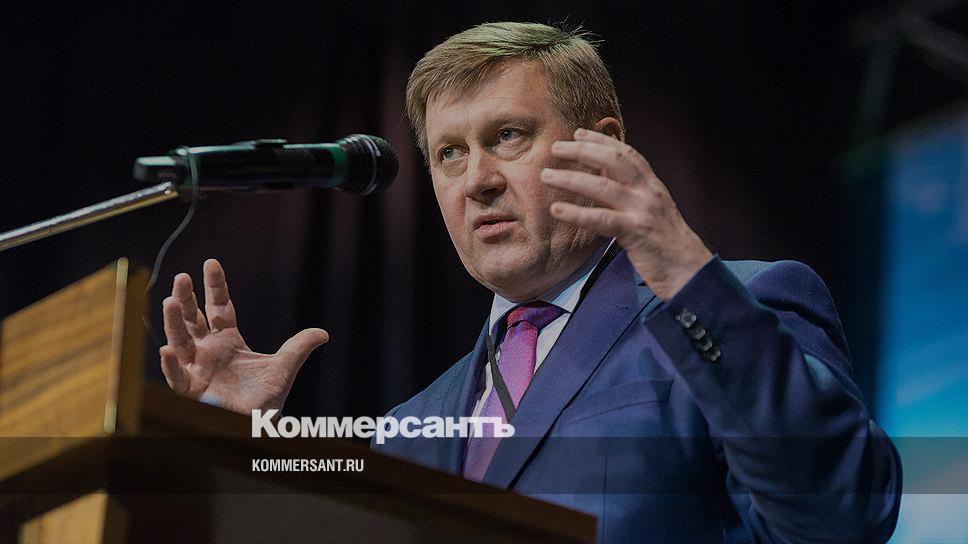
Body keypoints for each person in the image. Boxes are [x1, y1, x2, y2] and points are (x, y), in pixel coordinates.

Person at [159, 22, 901, 543]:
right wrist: (226, 444)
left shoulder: (736, 306)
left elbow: (840, 516)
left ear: (602, 148)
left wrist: (681, 270)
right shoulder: (410, 426)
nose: (477, 180)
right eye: (450, 154)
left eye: (507, 137)